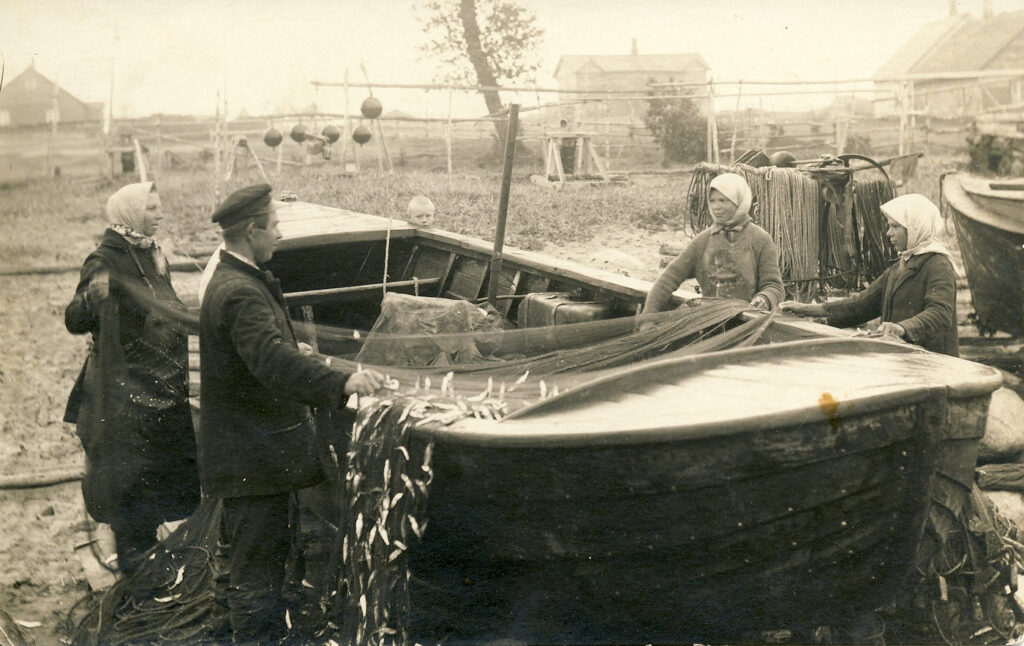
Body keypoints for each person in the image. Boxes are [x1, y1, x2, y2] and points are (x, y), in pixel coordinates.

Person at [198, 184, 385, 642]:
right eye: (275, 225)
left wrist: (289, 346)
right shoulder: (241, 290)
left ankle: (232, 630)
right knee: (257, 566)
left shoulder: (235, 277)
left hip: (245, 449)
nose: (279, 234)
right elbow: (269, 360)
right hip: (253, 454)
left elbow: (260, 349)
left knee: (245, 557)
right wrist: (341, 382)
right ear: (251, 229)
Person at [64, 181, 200, 576]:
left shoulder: (154, 255)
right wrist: (91, 297)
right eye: (152, 208)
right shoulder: (104, 259)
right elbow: (74, 319)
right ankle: (137, 574)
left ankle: (151, 564)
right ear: (130, 214)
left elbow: (167, 307)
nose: (160, 214)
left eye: (159, 207)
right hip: (126, 394)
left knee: (163, 475)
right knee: (131, 481)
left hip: (164, 387)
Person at [781, 193, 959, 356]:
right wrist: (808, 309)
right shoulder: (901, 265)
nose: (889, 233)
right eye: (889, 226)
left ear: (915, 228)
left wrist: (902, 328)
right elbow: (863, 304)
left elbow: (940, 313)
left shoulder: (938, 265)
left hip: (933, 361)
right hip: (903, 356)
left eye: (895, 226)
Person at [642, 172, 785, 319]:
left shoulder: (760, 239)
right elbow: (668, 279)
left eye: (723, 201)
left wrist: (765, 298)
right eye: (712, 201)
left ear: (739, 202)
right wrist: (648, 319)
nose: (716, 207)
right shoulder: (702, 241)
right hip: (708, 321)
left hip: (747, 323)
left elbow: (774, 286)